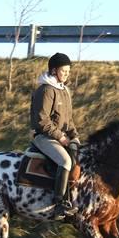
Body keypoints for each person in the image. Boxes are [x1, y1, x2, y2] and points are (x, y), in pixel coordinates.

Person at [30, 53, 80, 220]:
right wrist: (61, 137)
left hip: (61, 136)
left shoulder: (64, 90)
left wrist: (74, 137)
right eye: (63, 71)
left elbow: (69, 120)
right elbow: (41, 121)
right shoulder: (45, 90)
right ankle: (59, 203)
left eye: (68, 71)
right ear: (53, 70)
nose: (66, 74)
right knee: (65, 161)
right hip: (44, 136)